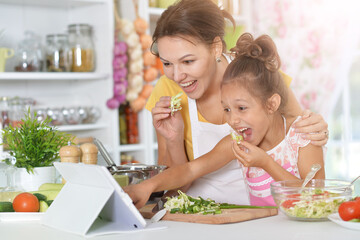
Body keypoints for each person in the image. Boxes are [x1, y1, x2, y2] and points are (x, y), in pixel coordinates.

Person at [133, 0, 328, 206]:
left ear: (216, 48)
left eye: (188, 61)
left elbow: (300, 136)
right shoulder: (168, 91)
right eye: (167, 63)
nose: (178, 75)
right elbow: (182, 179)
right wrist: (169, 147)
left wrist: (316, 128)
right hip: (206, 214)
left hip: (259, 216)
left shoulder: (258, 76)